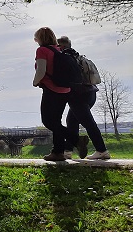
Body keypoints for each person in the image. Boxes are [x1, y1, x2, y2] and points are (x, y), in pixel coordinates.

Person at [57, 36, 111, 160]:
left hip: (78, 95)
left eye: (57, 46)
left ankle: (102, 150)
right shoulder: (78, 56)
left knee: (88, 123)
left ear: (62, 46)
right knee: (72, 120)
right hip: (90, 93)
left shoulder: (66, 57)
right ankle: (67, 151)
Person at [33, 27, 75, 162]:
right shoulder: (58, 49)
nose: (35, 41)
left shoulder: (42, 50)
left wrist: (35, 82)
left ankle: (76, 139)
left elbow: (41, 70)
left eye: (36, 38)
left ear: (40, 38)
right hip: (65, 90)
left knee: (48, 121)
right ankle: (58, 152)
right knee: (56, 121)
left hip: (52, 90)